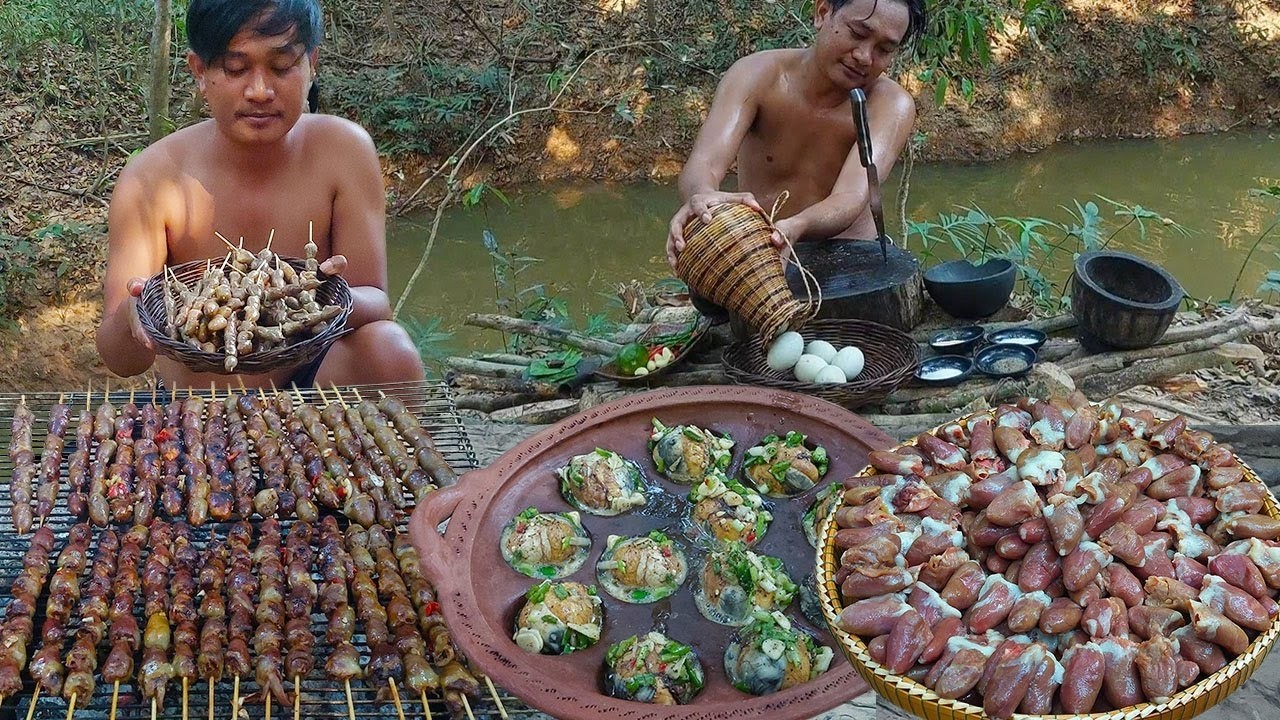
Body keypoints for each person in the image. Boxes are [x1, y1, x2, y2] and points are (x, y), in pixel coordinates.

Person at [96, 0, 424, 390]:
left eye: (282, 66)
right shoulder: (151, 179)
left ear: (311, 64)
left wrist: (302, 297)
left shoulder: (344, 152)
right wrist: (137, 315)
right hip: (199, 406)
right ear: (199, 72)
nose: (259, 91)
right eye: (235, 69)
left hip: (313, 385)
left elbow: (377, 303)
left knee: (390, 350)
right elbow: (119, 358)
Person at [665, 0, 926, 269]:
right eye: (857, 34)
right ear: (822, 13)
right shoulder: (757, 75)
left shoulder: (890, 104)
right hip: (763, 255)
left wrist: (797, 225)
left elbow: (850, 197)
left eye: (884, 49)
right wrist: (702, 197)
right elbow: (704, 163)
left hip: (851, 263)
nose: (864, 57)